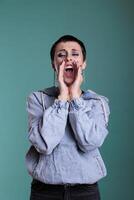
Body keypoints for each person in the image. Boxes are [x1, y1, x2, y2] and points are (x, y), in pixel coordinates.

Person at [25, 35, 110, 200]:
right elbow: (44, 144)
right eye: (61, 55)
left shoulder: (97, 103)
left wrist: (75, 98)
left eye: (75, 54)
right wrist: (63, 96)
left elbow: (90, 142)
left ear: (84, 63)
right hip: (44, 192)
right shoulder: (37, 99)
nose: (68, 58)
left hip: (86, 193)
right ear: (53, 65)